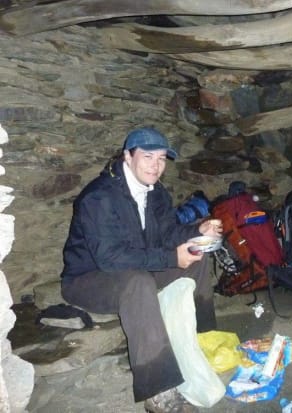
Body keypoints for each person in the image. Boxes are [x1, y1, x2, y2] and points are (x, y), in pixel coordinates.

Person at [60, 127, 221, 412]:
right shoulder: (99, 197)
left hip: (132, 266)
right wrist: (172, 257)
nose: (156, 166)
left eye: (161, 159)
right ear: (127, 156)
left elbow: (168, 232)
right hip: (87, 278)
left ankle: (204, 341)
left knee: (197, 257)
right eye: (147, 157)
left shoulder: (155, 191)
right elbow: (110, 258)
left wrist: (198, 230)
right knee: (138, 283)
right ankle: (158, 387)